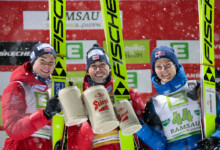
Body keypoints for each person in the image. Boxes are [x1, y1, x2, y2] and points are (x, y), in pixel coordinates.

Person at [136, 46, 220, 150]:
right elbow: (159, 144)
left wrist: (215, 139)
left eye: (168, 64)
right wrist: (140, 128)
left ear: (175, 65)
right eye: (159, 67)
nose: (164, 70)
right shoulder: (154, 103)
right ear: (155, 70)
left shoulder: (198, 88)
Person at [67, 44, 147, 150]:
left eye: (102, 65)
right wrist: (89, 124)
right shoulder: (80, 103)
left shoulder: (129, 94)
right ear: (87, 71)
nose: (98, 69)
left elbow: (145, 128)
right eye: (93, 66)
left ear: (109, 68)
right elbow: (75, 147)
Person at [2, 43, 61, 150]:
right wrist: (45, 114)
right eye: (42, 60)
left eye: (51, 62)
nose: (47, 66)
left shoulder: (53, 91)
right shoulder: (17, 87)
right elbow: (13, 129)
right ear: (33, 61)